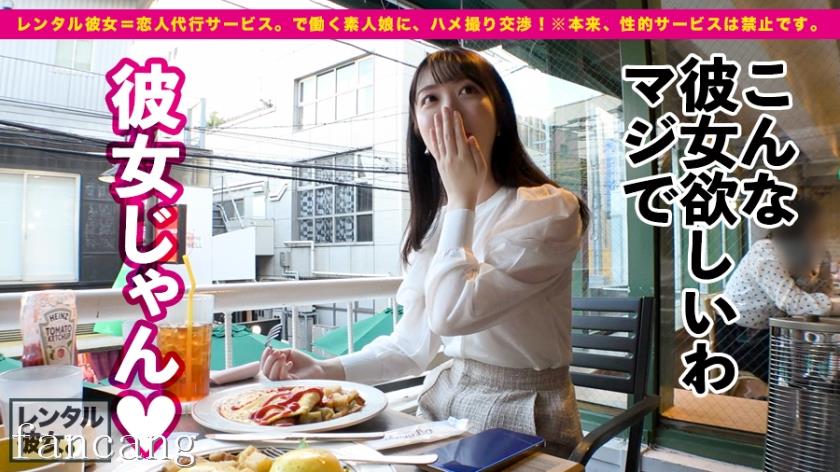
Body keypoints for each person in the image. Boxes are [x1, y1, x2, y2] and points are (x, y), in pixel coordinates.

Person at [261, 47, 589, 456]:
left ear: (500, 115)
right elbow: (410, 346)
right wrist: (325, 369)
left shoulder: (548, 209)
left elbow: (452, 316)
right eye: (430, 98)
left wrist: (462, 198)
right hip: (446, 402)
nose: (448, 110)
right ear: (418, 128)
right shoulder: (440, 224)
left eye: (467, 90)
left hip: (525, 412)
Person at [719, 197, 839, 383]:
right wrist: (835, 306)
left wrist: (823, 264)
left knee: (816, 349)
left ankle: (805, 385)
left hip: (769, 332)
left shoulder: (797, 254)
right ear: (796, 228)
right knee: (811, 351)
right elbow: (794, 303)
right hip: (740, 336)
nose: (821, 235)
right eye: (816, 230)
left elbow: (814, 295)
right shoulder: (766, 252)